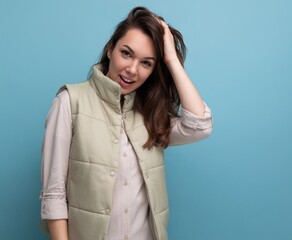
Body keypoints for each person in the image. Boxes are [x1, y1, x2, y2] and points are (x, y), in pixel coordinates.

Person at [40, 6, 212, 240]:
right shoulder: (70, 102)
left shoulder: (151, 114)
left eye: (146, 63)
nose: (132, 70)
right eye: (127, 53)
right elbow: (54, 194)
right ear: (111, 48)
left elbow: (200, 125)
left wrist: (171, 59)